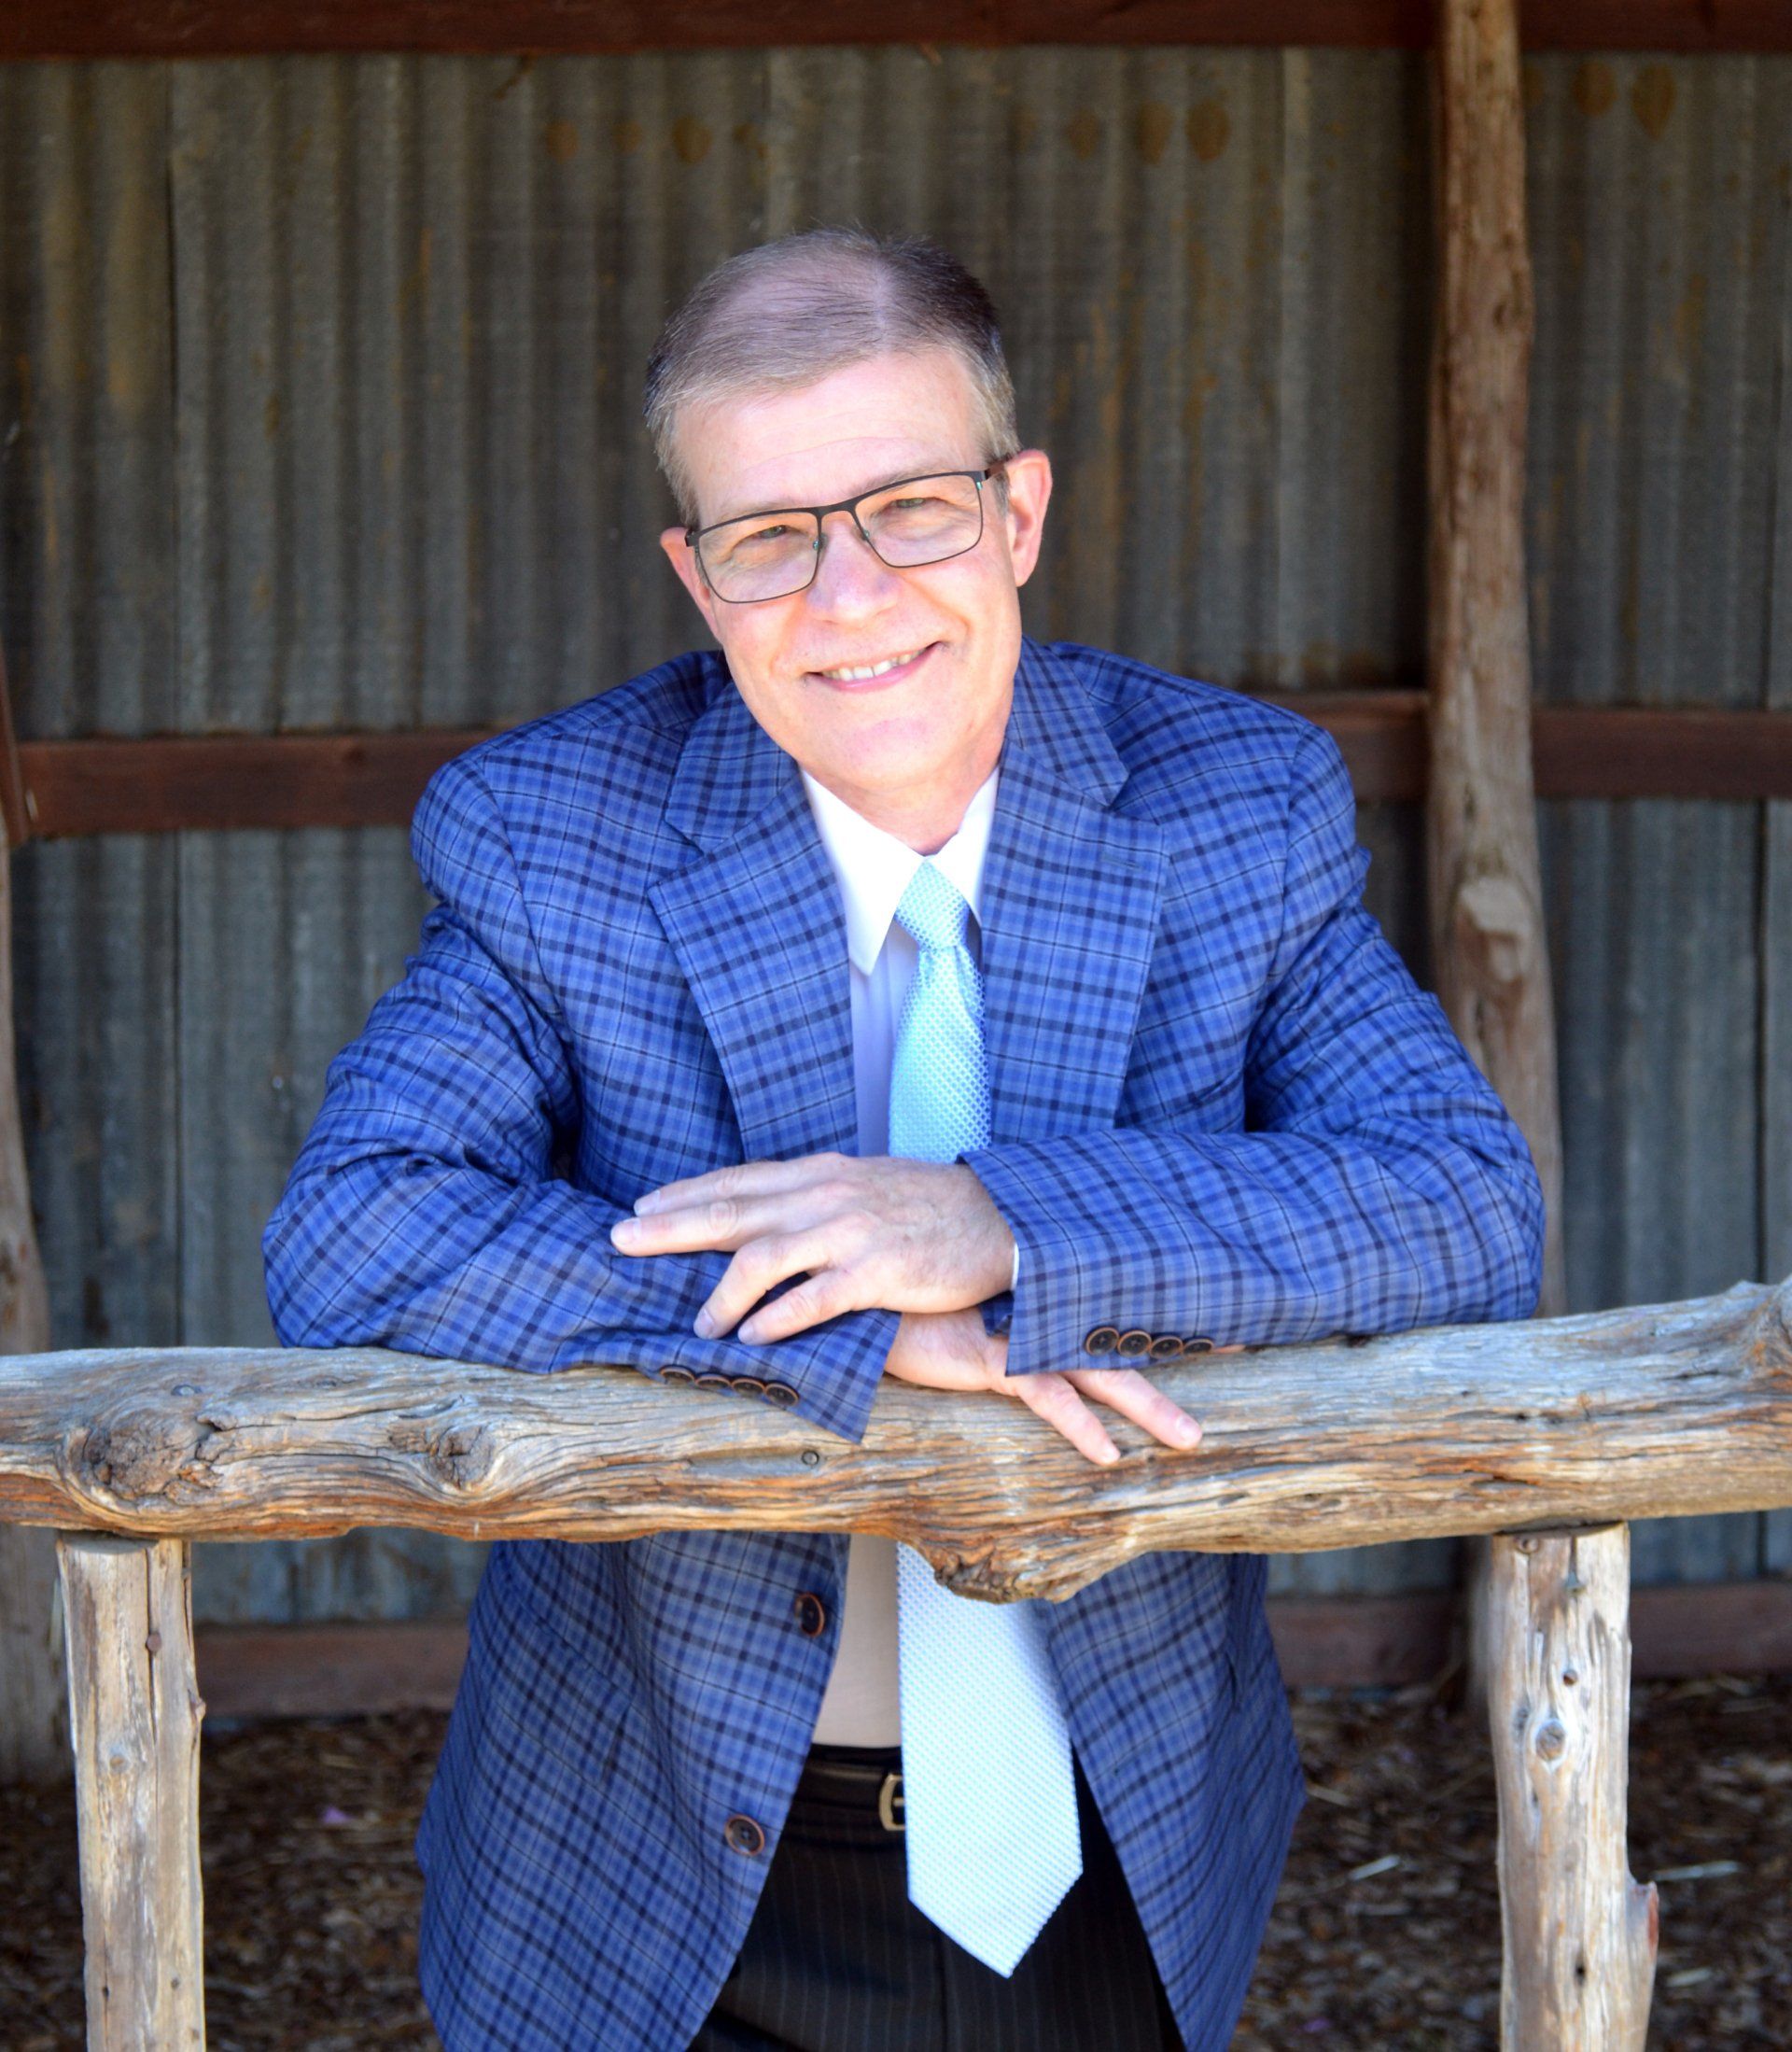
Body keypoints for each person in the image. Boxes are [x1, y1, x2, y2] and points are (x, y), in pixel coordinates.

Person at [263, 227, 1543, 2052]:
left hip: (1124, 1852)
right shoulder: (559, 838)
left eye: (912, 509)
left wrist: (997, 1227)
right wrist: (860, 1327)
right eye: (771, 538)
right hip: (657, 1876)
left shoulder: (1236, 810)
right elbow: (356, 1232)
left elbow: (1462, 1202)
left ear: (1019, 512)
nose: (847, 598)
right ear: (696, 578)